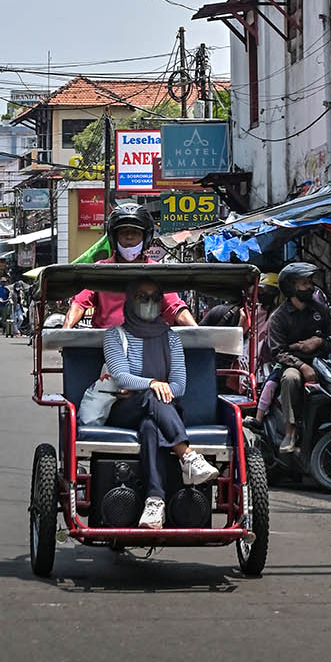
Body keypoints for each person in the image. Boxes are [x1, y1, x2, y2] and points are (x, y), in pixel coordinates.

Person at [104, 281, 219, 530]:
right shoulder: (115, 335)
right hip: (124, 411)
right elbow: (121, 376)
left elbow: (179, 386)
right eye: (142, 296)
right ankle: (187, 455)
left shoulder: (171, 338)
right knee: (152, 394)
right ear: (130, 299)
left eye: (155, 297)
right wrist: (152, 383)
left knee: (150, 426)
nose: (149, 302)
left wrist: (152, 387)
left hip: (160, 412)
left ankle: (155, 501)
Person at [64, 202, 197, 330]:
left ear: (146, 237)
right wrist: (66, 329)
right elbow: (79, 303)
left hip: (146, 340)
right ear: (114, 237)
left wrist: (197, 331)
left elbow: (175, 307)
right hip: (106, 340)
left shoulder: (156, 271)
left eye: (135, 233)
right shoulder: (100, 270)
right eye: (124, 232)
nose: (129, 237)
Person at [266, 262, 331, 454]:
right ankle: (290, 432)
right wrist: (302, 366)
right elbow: (278, 352)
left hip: (322, 363)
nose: (310, 287)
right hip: (294, 365)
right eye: (304, 283)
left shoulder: (320, 310)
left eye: (310, 283)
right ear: (291, 287)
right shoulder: (279, 317)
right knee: (290, 378)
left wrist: (319, 342)